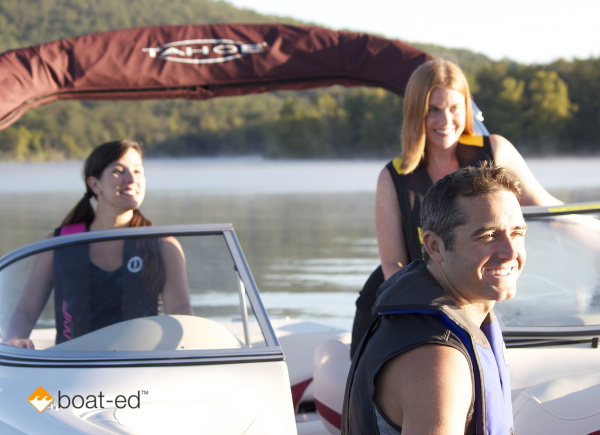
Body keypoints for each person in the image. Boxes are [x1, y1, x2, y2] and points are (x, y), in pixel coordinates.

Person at [350, 58, 562, 356]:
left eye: (454, 108)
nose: (445, 120)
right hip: (406, 306)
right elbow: (392, 265)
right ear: (415, 112)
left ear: (466, 109)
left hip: (478, 302)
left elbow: (551, 212)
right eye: (433, 109)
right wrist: (438, 315)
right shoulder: (394, 176)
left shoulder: (495, 151)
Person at [342, 163, 526, 434]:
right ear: (435, 246)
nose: (510, 252)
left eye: (517, 233)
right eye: (488, 236)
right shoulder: (438, 359)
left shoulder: (449, 318)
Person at [3, 139, 193, 349]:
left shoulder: (163, 245)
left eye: (138, 171)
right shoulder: (58, 244)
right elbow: (25, 312)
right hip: (68, 371)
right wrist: (14, 339)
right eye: (119, 171)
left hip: (139, 371)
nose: (131, 179)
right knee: (36, 386)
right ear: (95, 184)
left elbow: (181, 317)